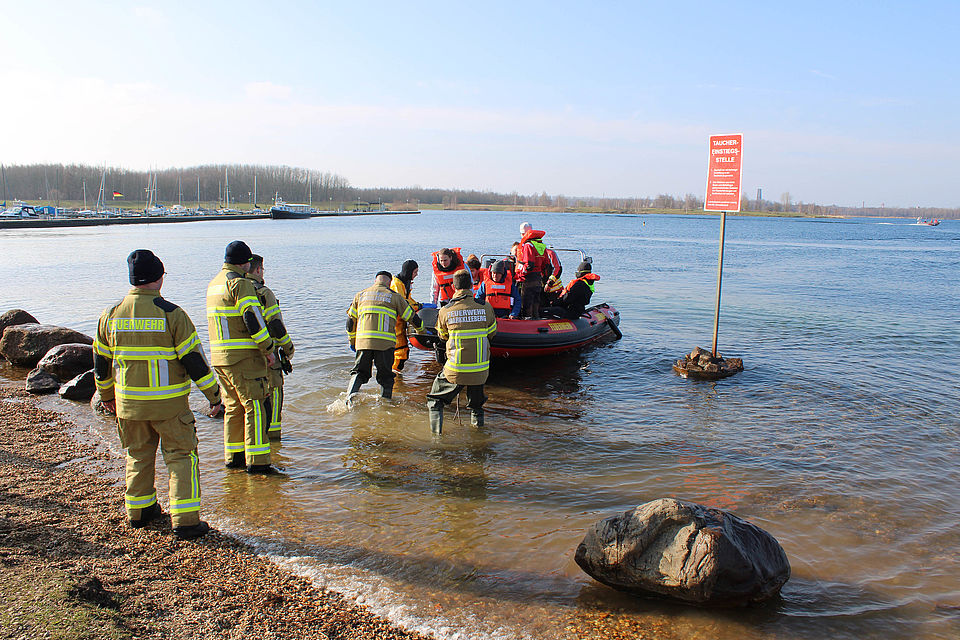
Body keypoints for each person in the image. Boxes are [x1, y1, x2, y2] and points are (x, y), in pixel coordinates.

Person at [94, 249, 223, 540]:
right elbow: (194, 362)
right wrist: (214, 397)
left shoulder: (110, 315)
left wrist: (106, 397)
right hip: (169, 406)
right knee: (181, 457)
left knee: (138, 456)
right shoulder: (172, 314)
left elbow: (100, 363)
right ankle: (186, 522)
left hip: (128, 406)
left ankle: (139, 512)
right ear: (160, 277)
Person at [206, 240, 278, 474]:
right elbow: (252, 318)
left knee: (233, 408)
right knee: (255, 407)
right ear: (245, 263)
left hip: (220, 358)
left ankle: (233, 457)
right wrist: (268, 348)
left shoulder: (214, 284)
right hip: (244, 358)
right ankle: (258, 464)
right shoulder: (240, 284)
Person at [426, 270, 497, 434]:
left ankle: (436, 438)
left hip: (455, 370)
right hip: (480, 370)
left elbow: (442, 336)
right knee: (476, 405)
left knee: (435, 400)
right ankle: (478, 436)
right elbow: (492, 333)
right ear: (472, 286)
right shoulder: (485, 307)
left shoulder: (446, 311)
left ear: (453, 286)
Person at [347, 271, 423, 401]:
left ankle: (348, 399)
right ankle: (386, 404)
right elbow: (411, 317)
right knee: (386, 377)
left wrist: (352, 341)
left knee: (359, 372)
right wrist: (422, 331)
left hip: (363, 343)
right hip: (385, 344)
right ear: (389, 282)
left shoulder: (360, 295)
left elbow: (350, 322)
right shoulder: (394, 297)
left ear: (375, 281)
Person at [246, 254, 295, 441]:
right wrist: (288, 348)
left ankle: (252, 438)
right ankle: (273, 439)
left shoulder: (233, 290)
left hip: (242, 357)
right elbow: (275, 324)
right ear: (258, 269)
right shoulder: (263, 292)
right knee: (274, 394)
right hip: (268, 355)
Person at [390, 260, 422, 372]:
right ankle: (394, 378)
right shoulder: (397, 284)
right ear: (409, 272)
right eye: (415, 272)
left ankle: (396, 378)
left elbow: (409, 300)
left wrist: (418, 305)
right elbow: (403, 304)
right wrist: (418, 306)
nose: (416, 275)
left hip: (401, 322)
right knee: (401, 351)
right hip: (396, 323)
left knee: (402, 352)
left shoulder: (405, 282)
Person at [515, 224, 552, 318]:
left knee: (526, 302)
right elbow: (547, 265)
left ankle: (527, 322)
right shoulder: (541, 245)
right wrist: (544, 278)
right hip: (538, 278)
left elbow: (529, 264)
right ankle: (536, 319)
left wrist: (520, 275)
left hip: (528, 278)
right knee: (535, 301)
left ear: (523, 234)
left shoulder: (528, 245)